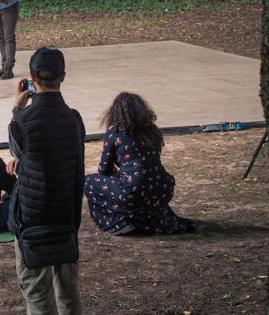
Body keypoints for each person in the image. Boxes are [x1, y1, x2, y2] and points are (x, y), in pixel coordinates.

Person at [7, 46, 87, 315]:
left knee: (37, 291)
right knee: (67, 285)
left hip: (33, 220)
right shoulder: (74, 120)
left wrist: (16, 107)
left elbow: (16, 153)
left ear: (31, 78)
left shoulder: (22, 122)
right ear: (63, 77)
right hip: (66, 215)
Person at [84, 92, 197, 235]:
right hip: (161, 188)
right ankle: (141, 219)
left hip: (134, 191)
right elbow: (148, 164)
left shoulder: (115, 132)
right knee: (136, 189)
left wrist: (116, 173)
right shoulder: (152, 131)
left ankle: (116, 223)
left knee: (89, 182)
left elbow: (103, 169)